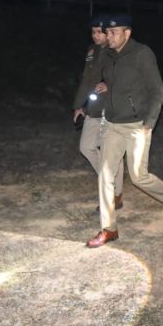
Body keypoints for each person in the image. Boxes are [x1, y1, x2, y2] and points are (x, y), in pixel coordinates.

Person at [86, 14, 163, 248]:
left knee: (138, 176)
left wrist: (150, 121)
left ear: (127, 33)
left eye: (114, 32)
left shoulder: (142, 53)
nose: (109, 36)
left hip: (136, 125)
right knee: (105, 175)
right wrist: (106, 89)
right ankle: (109, 228)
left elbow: (156, 90)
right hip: (112, 123)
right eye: (107, 32)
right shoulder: (107, 54)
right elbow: (116, 82)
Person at [72, 14, 125, 210]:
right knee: (86, 147)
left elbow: (127, 78)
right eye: (93, 32)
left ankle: (115, 194)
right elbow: (86, 79)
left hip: (111, 108)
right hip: (93, 108)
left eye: (99, 32)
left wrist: (110, 85)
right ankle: (108, 178)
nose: (95, 36)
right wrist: (79, 105)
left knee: (111, 154)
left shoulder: (116, 51)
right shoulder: (92, 51)